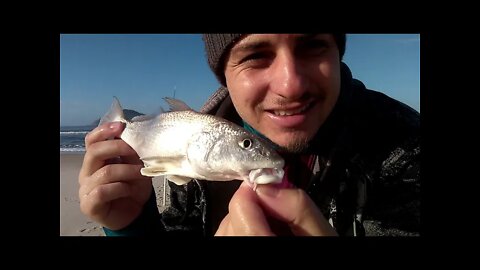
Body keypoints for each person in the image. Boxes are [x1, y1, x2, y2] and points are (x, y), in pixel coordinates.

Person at [78, 34, 420, 236]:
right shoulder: (193, 152)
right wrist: (133, 226)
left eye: (313, 44)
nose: (291, 85)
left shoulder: (407, 147)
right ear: (224, 75)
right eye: (256, 55)